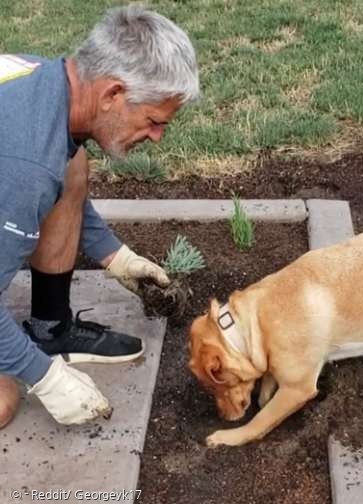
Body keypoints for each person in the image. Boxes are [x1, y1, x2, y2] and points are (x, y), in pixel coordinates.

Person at [0, 5, 199, 428]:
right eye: (152, 121)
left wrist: (115, 256)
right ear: (112, 94)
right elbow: (32, 175)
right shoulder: (25, 165)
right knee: (3, 398)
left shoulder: (42, 82)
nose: (157, 137)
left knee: (72, 163)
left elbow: (54, 176)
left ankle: (50, 328)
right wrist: (46, 378)